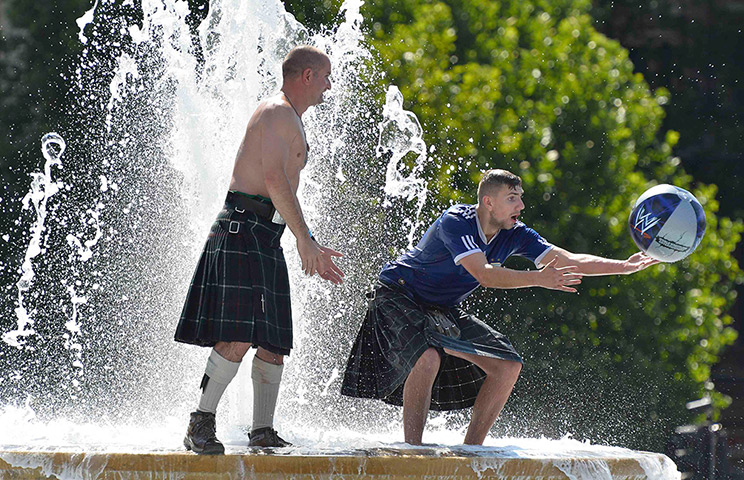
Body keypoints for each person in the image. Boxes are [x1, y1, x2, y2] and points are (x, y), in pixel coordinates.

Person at [341, 169, 657, 445]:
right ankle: (415, 453)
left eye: (520, 198)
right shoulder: (457, 222)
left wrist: (623, 266)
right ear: (488, 202)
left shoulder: (515, 233)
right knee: (427, 357)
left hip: (441, 307)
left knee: (508, 366)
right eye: (512, 198)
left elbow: (571, 260)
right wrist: (539, 278)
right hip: (398, 296)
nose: (520, 206)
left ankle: (472, 452)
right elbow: (485, 275)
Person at [175, 46, 344, 454]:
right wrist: (305, 238)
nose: (329, 85)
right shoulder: (276, 112)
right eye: (325, 77)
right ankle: (200, 422)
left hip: (263, 235)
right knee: (236, 335)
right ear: (306, 76)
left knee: (273, 339)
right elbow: (271, 178)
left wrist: (304, 237)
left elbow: (280, 185)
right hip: (241, 228)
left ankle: (262, 430)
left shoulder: (292, 119)